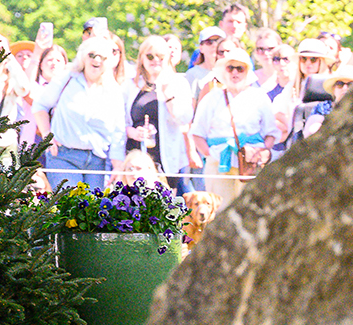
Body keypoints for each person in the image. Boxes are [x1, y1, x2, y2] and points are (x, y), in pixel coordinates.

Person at [190, 51, 279, 208]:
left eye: (240, 68)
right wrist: (210, 154)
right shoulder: (211, 98)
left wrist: (261, 153)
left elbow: (271, 133)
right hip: (219, 163)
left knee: (250, 211)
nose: (235, 73)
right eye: (230, 68)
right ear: (224, 71)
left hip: (251, 164)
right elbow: (197, 134)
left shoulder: (260, 98)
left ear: (247, 71)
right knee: (219, 214)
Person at [37, 36, 127, 190]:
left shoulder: (114, 90)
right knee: (70, 207)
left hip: (98, 161)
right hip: (63, 155)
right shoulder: (66, 78)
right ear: (83, 57)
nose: (96, 60)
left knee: (93, 211)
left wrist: (117, 163)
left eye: (102, 57)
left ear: (108, 61)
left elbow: (118, 130)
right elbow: (40, 105)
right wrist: (46, 134)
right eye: (92, 55)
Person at [127, 36, 195, 191]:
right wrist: (133, 132)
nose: (155, 60)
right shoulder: (130, 85)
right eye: (150, 56)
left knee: (164, 207)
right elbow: (119, 122)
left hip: (167, 158)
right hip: (135, 158)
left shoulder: (178, 83)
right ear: (142, 58)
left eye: (161, 56)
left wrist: (168, 95)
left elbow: (184, 119)